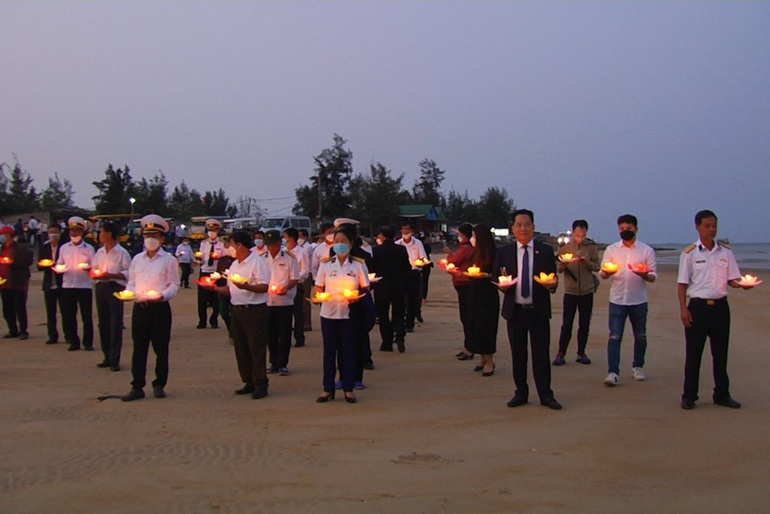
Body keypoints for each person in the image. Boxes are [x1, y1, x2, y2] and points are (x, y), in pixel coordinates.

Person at [677, 210, 749, 410]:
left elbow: (732, 279)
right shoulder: (690, 253)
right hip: (698, 307)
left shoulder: (726, 252)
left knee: (720, 353)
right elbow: (682, 284)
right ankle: (689, 395)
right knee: (693, 353)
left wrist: (742, 284)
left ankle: (722, 394)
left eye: (714, 226)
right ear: (698, 227)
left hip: (720, 308)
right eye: (707, 226)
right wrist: (684, 309)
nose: (711, 230)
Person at [493, 209, 562, 410]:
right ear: (513, 228)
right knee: (518, 354)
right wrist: (501, 285)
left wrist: (551, 285)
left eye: (527, 224)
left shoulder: (545, 251)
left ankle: (546, 395)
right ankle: (520, 392)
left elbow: (553, 280)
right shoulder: (504, 251)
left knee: (541, 354)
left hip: (538, 309)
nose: (523, 228)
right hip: (515, 311)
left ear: (533, 226)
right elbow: (495, 275)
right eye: (519, 225)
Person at [200, 231, 271, 399]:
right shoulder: (234, 265)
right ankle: (248, 381)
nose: (229, 248)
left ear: (240, 245)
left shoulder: (257, 262)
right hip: (237, 309)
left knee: (256, 347)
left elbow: (264, 286)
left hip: (254, 309)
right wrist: (215, 289)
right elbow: (231, 289)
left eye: (231, 244)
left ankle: (261, 382)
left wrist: (247, 287)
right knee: (241, 347)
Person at [120, 215, 180, 401]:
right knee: (139, 349)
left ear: (162, 238)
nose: (150, 239)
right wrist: (128, 293)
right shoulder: (137, 259)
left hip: (159, 309)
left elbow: (174, 285)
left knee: (161, 349)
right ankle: (137, 386)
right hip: (141, 308)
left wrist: (163, 295)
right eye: (147, 235)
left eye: (155, 235)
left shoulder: (169, 260)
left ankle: (159, 383)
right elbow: (132, 283)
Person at [314, 224, 370, 404]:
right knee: (329, 352)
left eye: (343, 242)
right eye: (336, 241)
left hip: (349, 314)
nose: (339, 245)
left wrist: (356, 297)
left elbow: (365, 287)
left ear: (351, 243)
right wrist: (318, 296)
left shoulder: (359, 265)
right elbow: (318, 286)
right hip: (329, 314)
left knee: (348, 351)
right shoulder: (326, 264)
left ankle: (348, 388)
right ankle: (327, 388)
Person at [600, 214, 657, 386]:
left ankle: (638, 366)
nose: (625, 232)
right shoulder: (611, 250)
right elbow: (602, 273)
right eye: (622, 229)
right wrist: (607, 273)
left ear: (636, 229)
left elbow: (653, 275)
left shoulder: (646, 250)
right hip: (617, 299)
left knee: (640, 335)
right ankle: (613, 372)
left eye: (629, 229)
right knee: (614, 336)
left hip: (638, 300)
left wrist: (644, 275)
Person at [553, 219, 600, 366]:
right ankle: (561, 353)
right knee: (567, 324)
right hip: (571, 291)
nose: (580, 237)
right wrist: (563, 265)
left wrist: (586, 262)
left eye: (583, 235)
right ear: (573, 232)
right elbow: (558, 269)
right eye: (578, 234)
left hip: (587, 291)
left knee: (584, 324)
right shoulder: (565, 247)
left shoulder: (591, 247)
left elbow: (597, 267)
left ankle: (581, 352)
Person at [92, 222, 132, 371]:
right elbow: (94, 268)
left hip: (115, 287)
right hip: (101, 287)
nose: (99, 235)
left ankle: (115, 359)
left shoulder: (122, 253)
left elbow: (128, 273)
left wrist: (112, 275)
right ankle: (107, 355)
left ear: (109, 234)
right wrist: (95, 274)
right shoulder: (99, 252)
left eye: (101, 232)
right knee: (103, 323)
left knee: (115, 324)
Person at [463, 223, 499, 376]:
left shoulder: (492, 253)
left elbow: (499, 274)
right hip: (474, 291)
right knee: (474, 324)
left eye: (474, 236)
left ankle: (490, 360)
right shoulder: (474, 252)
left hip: (488, 294)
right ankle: (482, 357)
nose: (472, 239)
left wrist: (486, 275)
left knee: (487, 327)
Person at [55, 217, 96, 351]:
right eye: (72, 231)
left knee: (86, 316)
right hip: (68, 285)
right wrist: (60, 268)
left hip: (84, 285)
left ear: (82, 232)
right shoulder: (64, 248)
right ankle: (74, 341)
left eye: (77, 231)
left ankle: (88, 342)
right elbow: (59, 262)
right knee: (69, 316)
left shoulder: (89, 248)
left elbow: (95, 265)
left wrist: (89, 268)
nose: (74, 234)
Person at [264, 229, 299, 376]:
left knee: (284, 334)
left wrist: (285, 287)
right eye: (269, 245)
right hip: (267, 301)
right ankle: (273, 362)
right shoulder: (261, 258)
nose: (272, 248)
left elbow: (294, 278)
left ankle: (283, 363)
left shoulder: (289, 257)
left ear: (279, 243)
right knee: (270, 334)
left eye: (274, 244)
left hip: (284, 301)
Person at [371, 225, 410, 353]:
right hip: (398, 285)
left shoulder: (376, 251)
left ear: (382, 236)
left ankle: (387, 343)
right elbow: (407, 267)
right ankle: (400, 336)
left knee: (383, 315)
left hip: (382, 286)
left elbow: (372, 269)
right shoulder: (401, 249)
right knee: (399, 313)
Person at [443, 223, 475, 360]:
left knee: (467, 317)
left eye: (460, 234)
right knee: (467, 317)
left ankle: (470, 347)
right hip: (464, 284)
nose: (458, 237)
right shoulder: (466, 248)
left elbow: (455, 260)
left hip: (465, 284)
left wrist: (450, 256)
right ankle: (468, 346)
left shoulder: (466, 248)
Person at [0, 226, 33, 339]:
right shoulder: (2, 248)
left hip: (17, 282)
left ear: (9, 235)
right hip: (4, 282)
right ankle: (12, 330)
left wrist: (12, 262)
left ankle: (23, 331)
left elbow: (27, 261)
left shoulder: (20, 248)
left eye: (4, 234)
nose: (3, 237)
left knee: (19, 307)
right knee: (7, 308)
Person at [396, 223, 428, 333]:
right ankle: (402, 321)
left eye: (407, 229)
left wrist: (421, 263)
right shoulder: (398, 244)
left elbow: (423, 257)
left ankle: (410, 323)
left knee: (413, 300)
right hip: (402, 274)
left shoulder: (418, 243)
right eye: (403, 228)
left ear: (411, 230)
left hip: (414, 273)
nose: (405, 231)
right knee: (402, 299)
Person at [196, 219, 226, 329]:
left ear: (218, 231)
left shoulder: (222, 244)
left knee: (216, 298)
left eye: (214, 230)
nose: (211, 232)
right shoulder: (203, 243)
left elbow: (224, 258)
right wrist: (199, 260)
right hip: (204, 271)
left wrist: (218, 257)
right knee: (202, 298)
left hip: (216, 272)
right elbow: (200, 256)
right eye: (210, 230)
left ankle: (214, 320)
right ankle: (202, 321)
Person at [38, 224, 64, 344]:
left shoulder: (64, 246)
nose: (53, 234)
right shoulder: (44, 247)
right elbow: (39, 265)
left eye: (55, 232)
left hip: (62, 283)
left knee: (65, 311)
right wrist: (44, 264)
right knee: (50, 312)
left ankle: (68, 334)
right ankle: (52, 335)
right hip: (49, 283)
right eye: (50, 232)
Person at [283, 228, 309, 347]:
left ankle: (299, 337)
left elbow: (305, 270)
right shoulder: (283, 251)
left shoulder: (301, 252)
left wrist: (296, 277)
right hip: (284, 285)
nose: (284, 239)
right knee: (285, 313)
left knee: (298, 312)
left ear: (291, 238)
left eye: (285, 237)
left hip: (297, 284)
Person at [215, 236, 236, 344]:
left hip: (235, 290)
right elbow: (218, 273)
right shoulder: (222, 260)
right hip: (223, 289)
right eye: (227, 245)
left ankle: (233, 334)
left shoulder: (237, 260)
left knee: (234, 313)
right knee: (223, 312)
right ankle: (230, 329)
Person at [297, 228, 313, 332]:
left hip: (305, 275)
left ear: (306, 237)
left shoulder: (308, 248)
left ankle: (307, 323)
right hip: (296, 275)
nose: (299, 239)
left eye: (301, 236)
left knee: (305, 300)